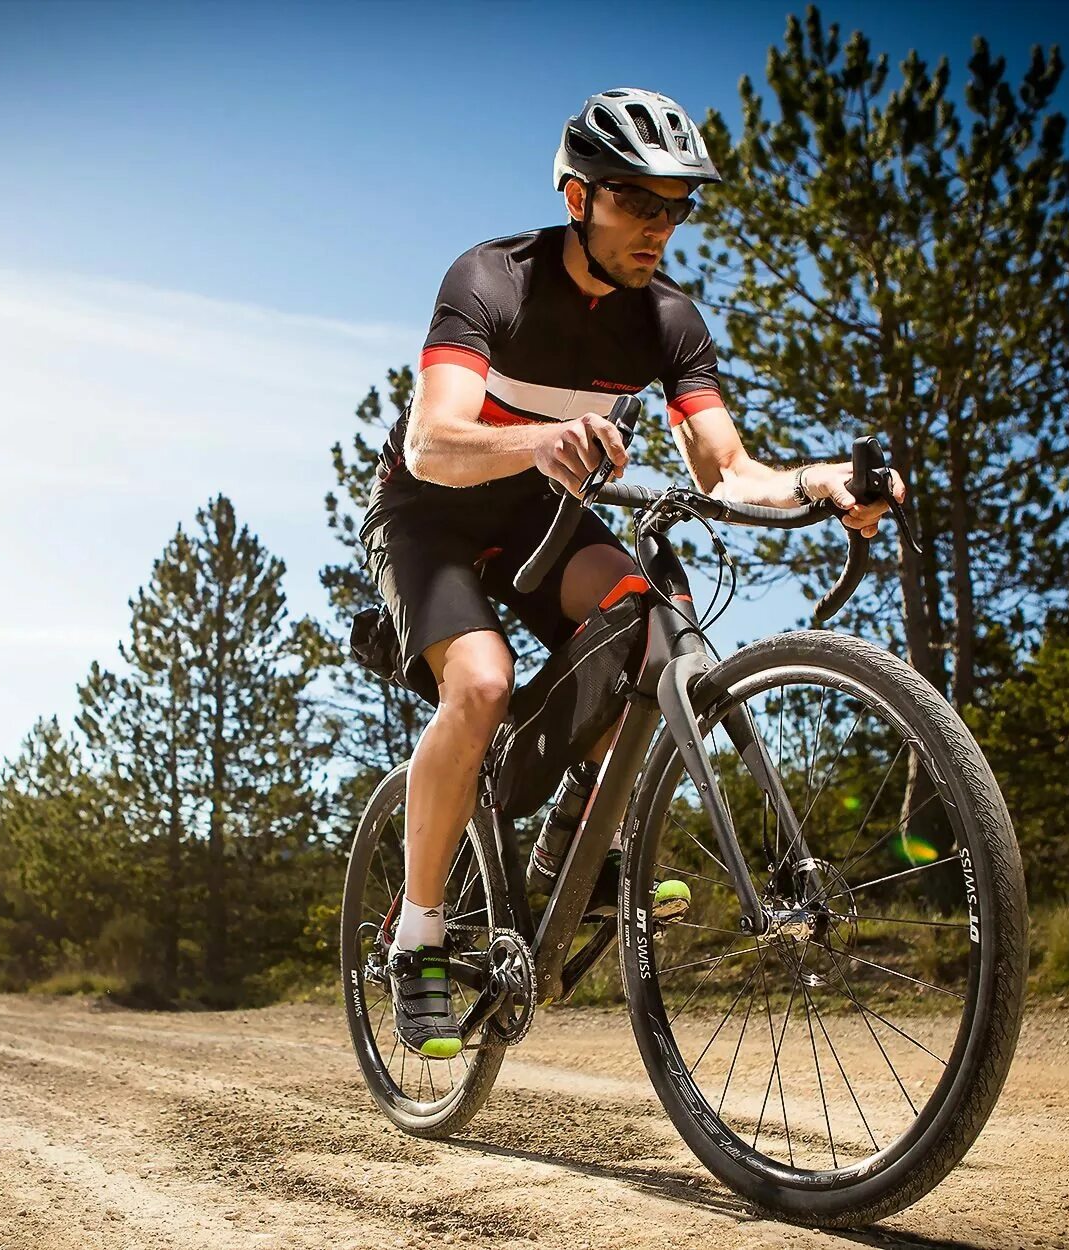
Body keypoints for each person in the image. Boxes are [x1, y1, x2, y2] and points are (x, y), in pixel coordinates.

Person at [360, 88, 903, 1058]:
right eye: (638, 201)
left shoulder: (667, 321)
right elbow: (432, 441)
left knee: (650, 619)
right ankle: (420, 936)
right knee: (481, 681)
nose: (661, 224)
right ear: (578, 195)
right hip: (430, 513)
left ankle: (586, 840)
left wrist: (819, 483)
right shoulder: (492, 278)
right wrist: (540, 438)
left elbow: (728, 470)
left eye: (677, 206)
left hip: (541, 513)